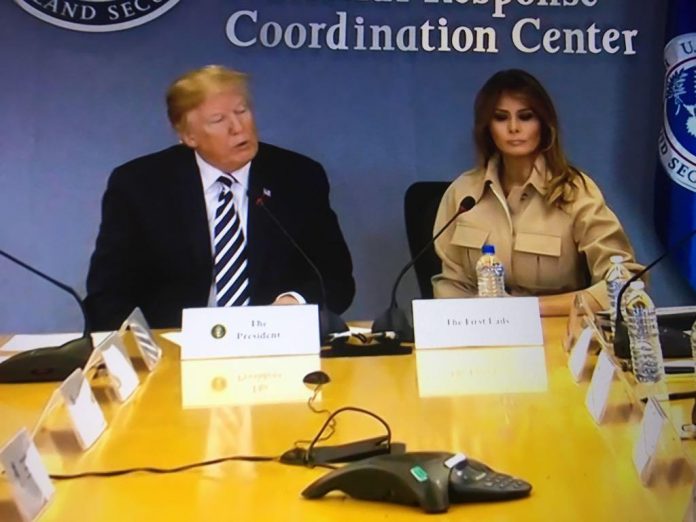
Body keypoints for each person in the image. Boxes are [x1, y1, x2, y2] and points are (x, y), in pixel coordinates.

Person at [85, 65, 355, 329]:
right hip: (174, 344)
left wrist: (293, 303)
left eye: (242, 111)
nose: (238, 127)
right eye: (218, 120)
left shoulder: (298, 177)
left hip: (271, 339)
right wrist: (141, 343)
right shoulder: (140, 185)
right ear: (188, 136)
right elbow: (108, 292)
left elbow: (336, 279)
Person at [432, 69, 641, 316]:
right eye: (500, 118)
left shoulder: (574, 191)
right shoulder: (463, 193)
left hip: (558, 328)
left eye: (525, 117)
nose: (513, 128)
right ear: (487, 127)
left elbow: (623, 284)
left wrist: (529, 309)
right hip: (482, 329)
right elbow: (450, 287)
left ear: (543, 123)